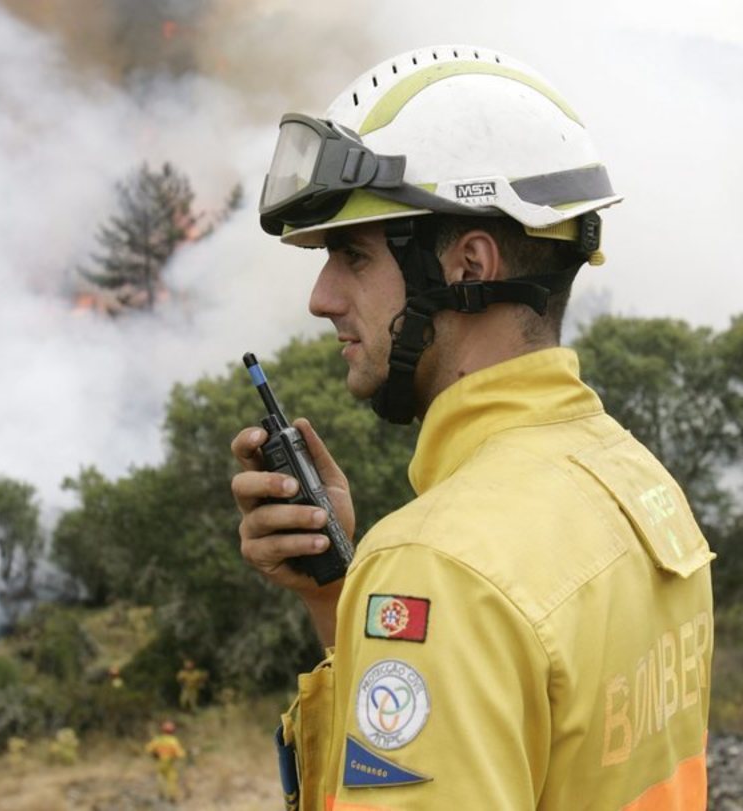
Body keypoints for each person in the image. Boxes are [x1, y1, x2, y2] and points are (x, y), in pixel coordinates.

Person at [230, 45, 714, 810]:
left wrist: (403, 580)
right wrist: (340, 597)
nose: (321, 296)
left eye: (352, 255)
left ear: (469, 265)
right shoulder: (638, 484)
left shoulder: (441, 567)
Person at [145, 719, 187, 802]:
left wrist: (155, 754)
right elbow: (180, 754)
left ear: (162, 730)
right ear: (173, 731)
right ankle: (172, 797)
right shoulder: (173, 741)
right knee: (172, 778)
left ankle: (161, 795)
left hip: (159, 761)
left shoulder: (157, 739)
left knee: (160, 777)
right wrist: (186, 753)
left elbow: (148, 749)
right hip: (169, 762)